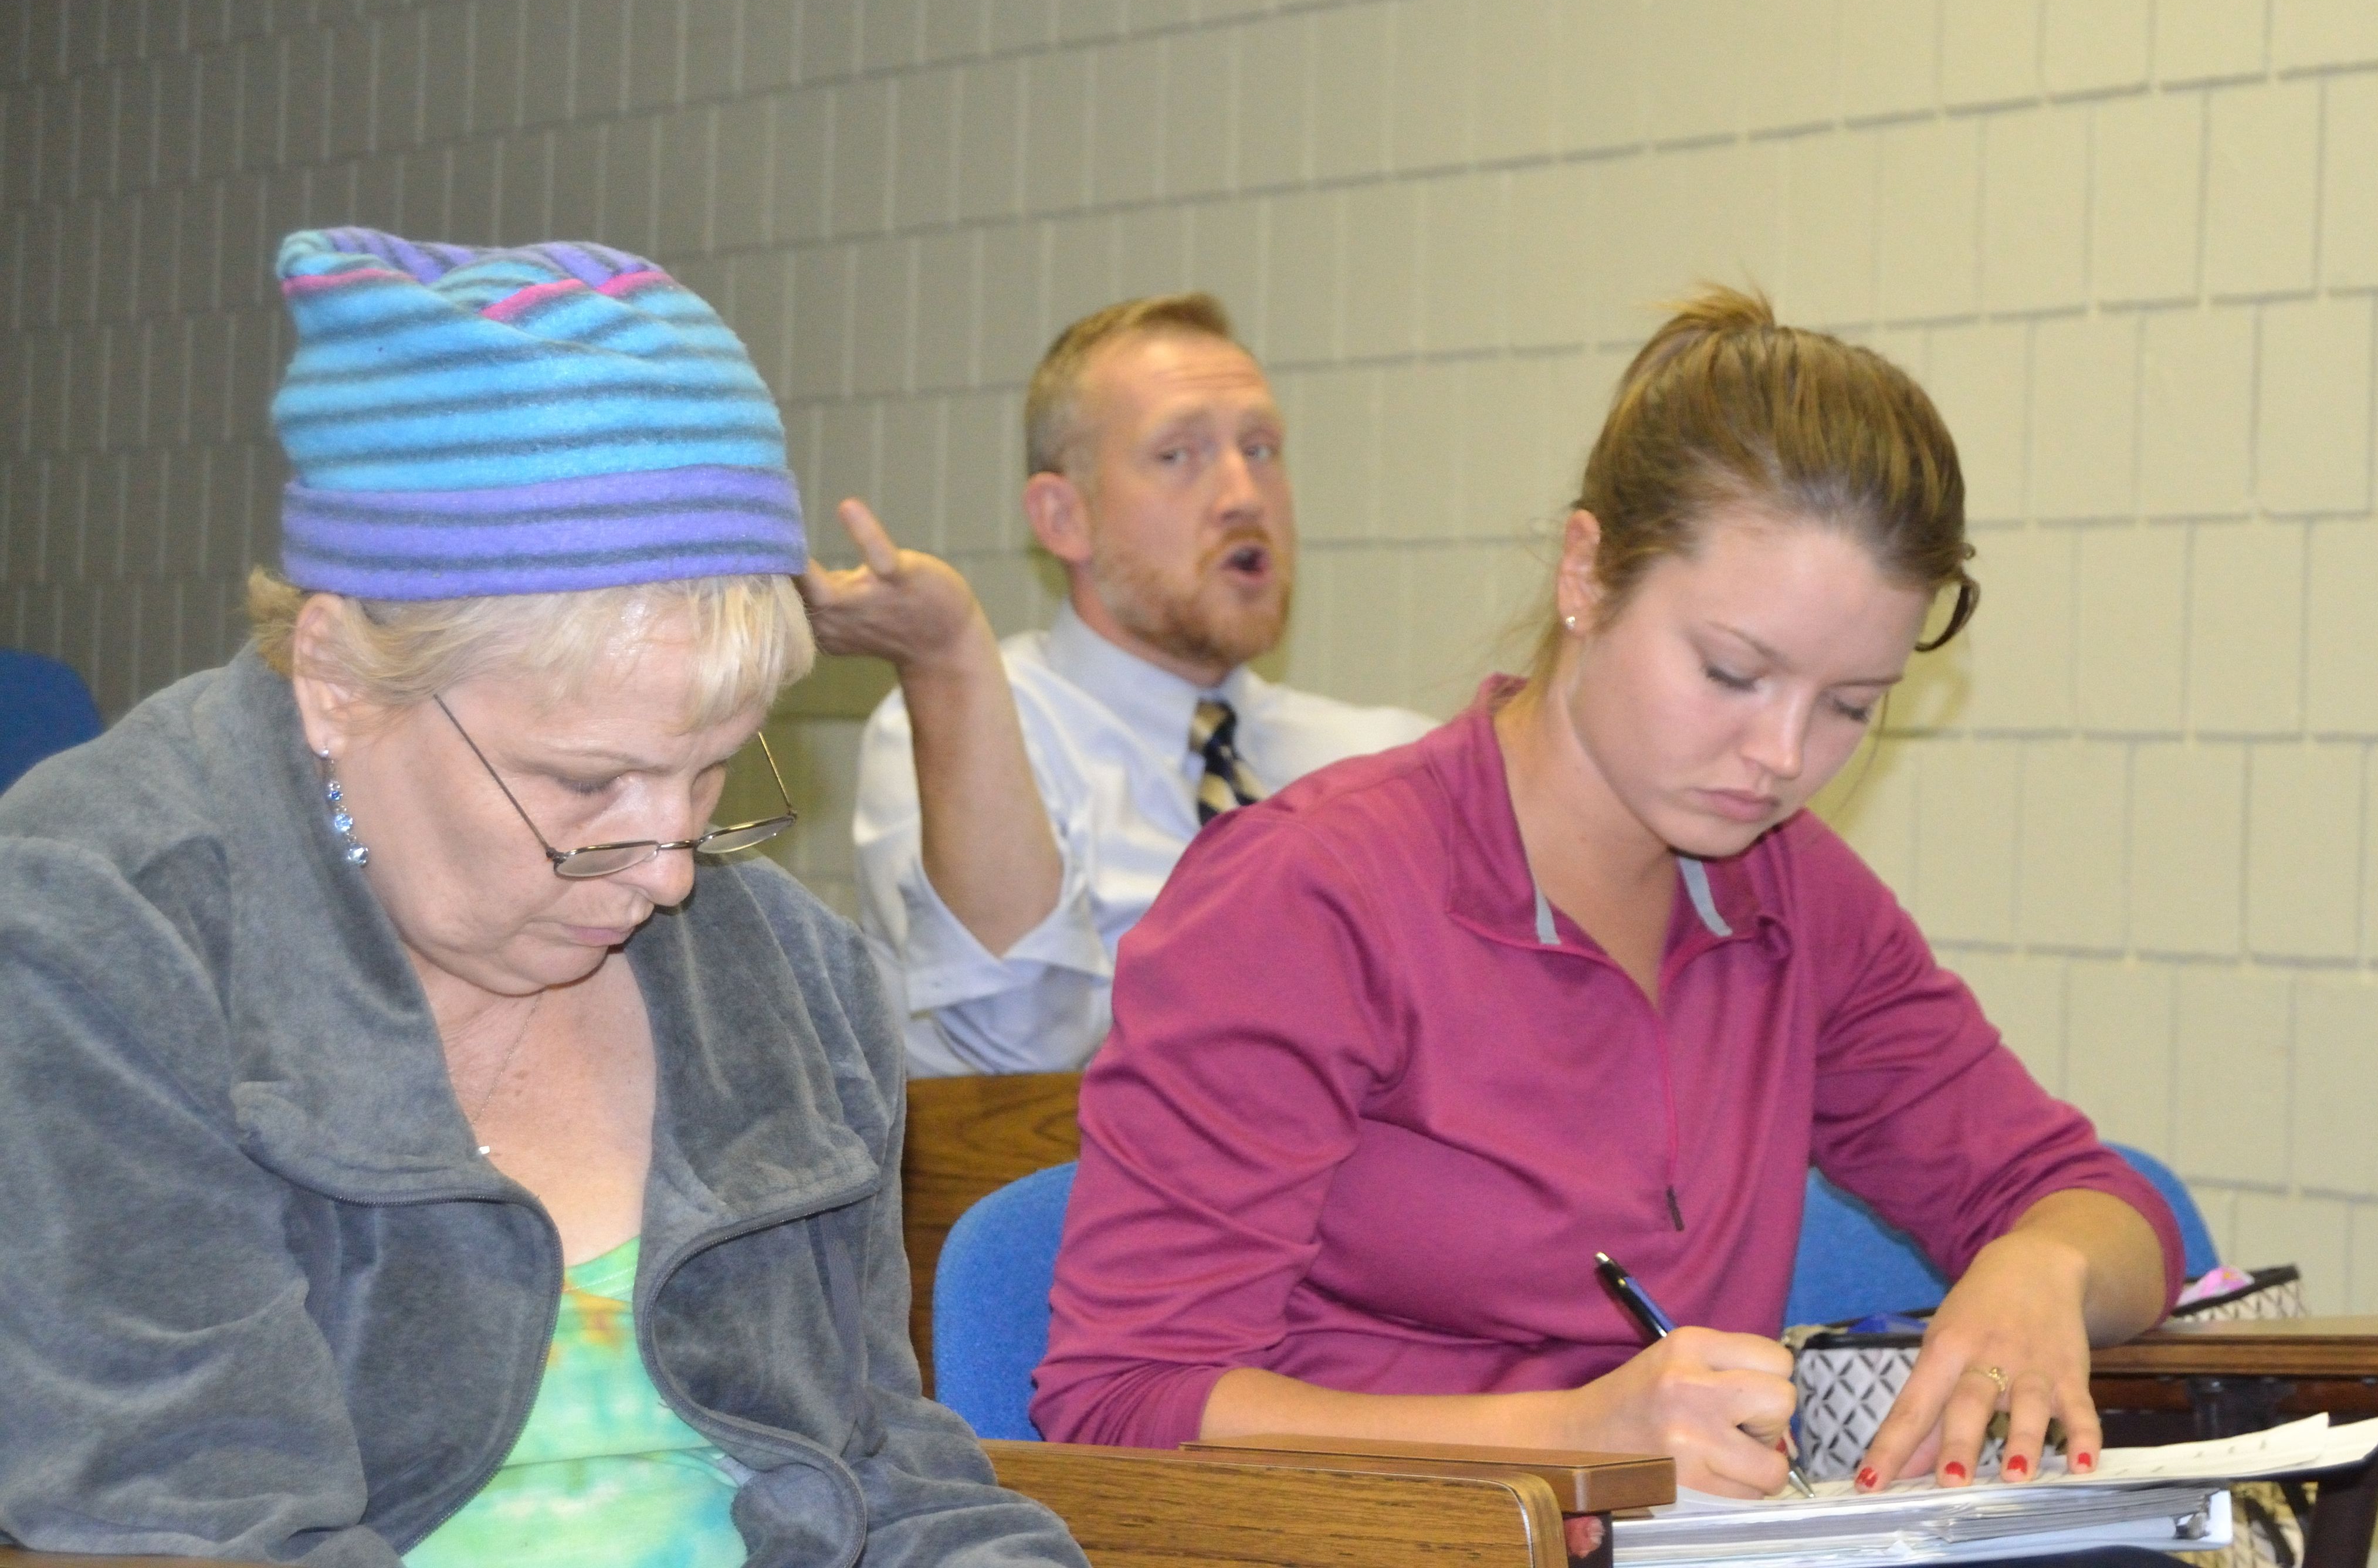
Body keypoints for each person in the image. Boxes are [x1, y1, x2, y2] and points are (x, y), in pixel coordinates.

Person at [0, 229, 1086, 1568]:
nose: (669, 869)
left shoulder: (795, 982)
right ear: (336, 679)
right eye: (586, 783)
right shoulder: (101, 939)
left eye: (711, 770)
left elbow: (890, 1476)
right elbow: (188, 1526)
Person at [1032, 289, 2186, 1516]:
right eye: (1732, 672)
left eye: (1851, 705)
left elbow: (2110, 1208)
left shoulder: (1793, 895)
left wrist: (2041, 1268)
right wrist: (1576, 1437)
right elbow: (1120, 1403)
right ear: (1586, 574)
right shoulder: (1312, 894)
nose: (1782, 756)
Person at [801, 294, 1434, 1078]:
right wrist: (947, 662)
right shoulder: (959, 730)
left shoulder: (1388, 760)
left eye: (1261, 448)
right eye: (1179, 455)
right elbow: (1016, 1047)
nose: (1245, 494)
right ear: (1063, 517)